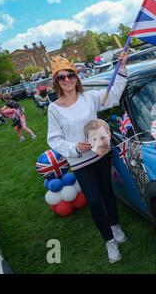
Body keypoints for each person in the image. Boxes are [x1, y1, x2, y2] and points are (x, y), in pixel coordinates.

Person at [47, 52, 129, 264]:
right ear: (56, 81)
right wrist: (74, 147)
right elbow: (54, 139)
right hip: (80, 161)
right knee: (93, 201)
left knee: (107, 194)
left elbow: (112, 95)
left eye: (70, 75)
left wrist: (121, 68)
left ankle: (115, 225)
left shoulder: (89, 97)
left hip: (100, 154)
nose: (67, 80)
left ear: (76, 77)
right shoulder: (54, 109)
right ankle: (108, 240)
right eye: (61, 77)